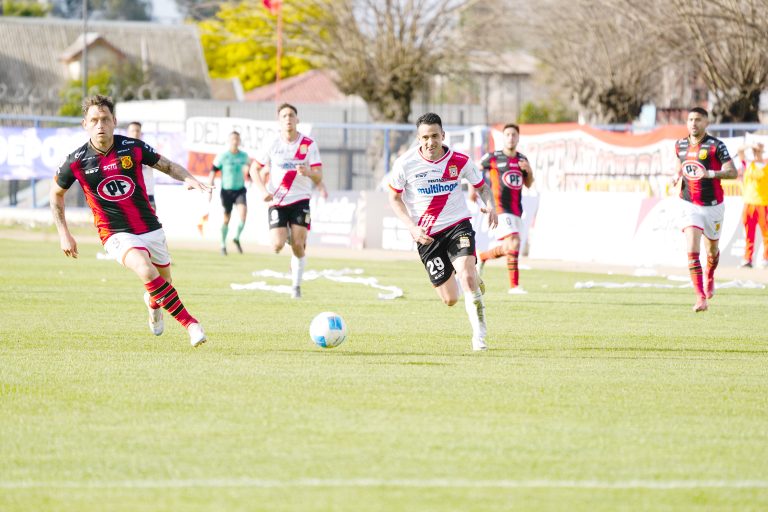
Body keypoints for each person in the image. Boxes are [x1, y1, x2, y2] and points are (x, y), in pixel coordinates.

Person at [50, 95, 211, 347]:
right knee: (146, 270)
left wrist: (188, 178)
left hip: (149, 227)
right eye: (94, 120)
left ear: (114, 121)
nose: (100, 125)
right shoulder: (76, 161)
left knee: (162, 283)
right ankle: (192, 324)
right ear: (85, 124)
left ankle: (152, 302)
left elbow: (166, 165)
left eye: (105, 119)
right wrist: (63, 234)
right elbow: (56, 195)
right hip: (114, 233)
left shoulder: (133, 147)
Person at [388, 112, 498, 351]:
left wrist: (490, 204)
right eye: (425, 137)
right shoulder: (405, 164)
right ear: (418, 138)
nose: (430, 142)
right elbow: (394, 198)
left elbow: (482, 188)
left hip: (457, 225)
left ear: (443, 135)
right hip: (426, 237)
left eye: (435, 136)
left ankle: (479, 337)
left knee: (466, 277)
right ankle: (474, 279)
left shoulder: (459, 160)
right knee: (450, 299)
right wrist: (412, 228)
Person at [249, 103, 323, 299]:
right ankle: (290, 236)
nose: (288, 119)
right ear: (279, 121)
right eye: (284, 116)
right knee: (276, 246)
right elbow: (253, 169)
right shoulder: (272, 143)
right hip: (277, 199)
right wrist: (262, 190)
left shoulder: (308, 144)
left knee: (299, 246)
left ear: (297, 120)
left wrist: (309, 172)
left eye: (291, 115)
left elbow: (319, 176)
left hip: (300, 199)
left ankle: (296, 287)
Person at [672, 107, 737, 312]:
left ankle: (710, 274)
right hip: (689, 203)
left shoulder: (716, 146)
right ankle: (700, 297)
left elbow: (732, 172)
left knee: (712, 251)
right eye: (690, 119)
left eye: (698, 119)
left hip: (713, 206)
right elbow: (679, 167)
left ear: (706, 122)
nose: (693, 123)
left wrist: (709, 173)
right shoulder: (680, 145)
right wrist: (676, 176)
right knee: (692, 248)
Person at [473, 123, 534, 294]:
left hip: (516, 209)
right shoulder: (493, 157)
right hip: (499, 206)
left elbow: (528, 184)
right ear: (504, 137)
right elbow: (474, 170)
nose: (511, 137)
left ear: (518, 137)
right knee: (513, 241)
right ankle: (514, 286)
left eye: (514, 135)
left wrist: (529, 172)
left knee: (510, 247)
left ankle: (483, 256)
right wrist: (473, 190)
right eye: (508, 134)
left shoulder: (522, 159)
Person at [208, 131, 250, 255]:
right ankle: (222, 244)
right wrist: (210, 188)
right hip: (226, 191)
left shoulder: (244, 156)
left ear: (239, 141)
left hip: (240, 190)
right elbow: (212, 171)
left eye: (237, 139)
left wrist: (249, 174)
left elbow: (250, 170)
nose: (235, 141)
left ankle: (236, 238)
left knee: (243, 215)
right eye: (233, 139)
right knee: (227, 218)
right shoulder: (223, 156)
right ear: (229, 141)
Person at [737, 142, 768, 268]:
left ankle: (766, 258)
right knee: (749, 234)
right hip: (749, 204)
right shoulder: (748, 164)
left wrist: (760, 148)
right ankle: (747, 259)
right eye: (755, 152)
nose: (756, 154)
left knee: (766, 234)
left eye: (758, 152)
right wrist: (750, 146)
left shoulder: (766, 165)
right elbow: (739, 150)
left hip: (763, 204)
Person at [126, 121, 156, 210]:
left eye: (137, 131)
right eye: (132, 131)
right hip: (129, 195)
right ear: (127, 133)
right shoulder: (120, 152)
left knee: (151, 223)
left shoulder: (148, 150)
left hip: (147, 194)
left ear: (141, 133)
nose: (135, 133)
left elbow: (160, 167)